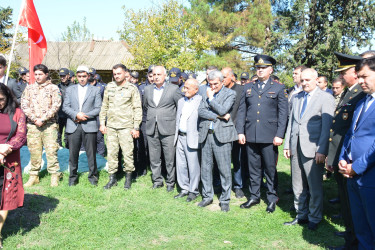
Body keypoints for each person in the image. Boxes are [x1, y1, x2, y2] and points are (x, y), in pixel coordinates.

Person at [283, 68, 335, 230]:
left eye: (307, 80)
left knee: (314, 186)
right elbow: (292, 122)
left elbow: (327, 127)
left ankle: (315, 217)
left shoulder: (326, 98)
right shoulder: (297, 97)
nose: (304, 83)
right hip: (295, 146)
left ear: (316, 79)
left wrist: (322, 150)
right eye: (302, 80)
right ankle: (301, 215)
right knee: (297, 185)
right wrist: (287, 145)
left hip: (313, 150)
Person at [237, 54, 288, 213]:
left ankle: (272, 198)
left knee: (270, 169)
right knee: (253, 168)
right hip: (251, 134)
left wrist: (280, 134)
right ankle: (254, 196)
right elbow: (241, 111)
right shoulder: (248, 87)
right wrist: (240, 131)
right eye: (258, 68)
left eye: (263, 68)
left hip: (270, 136)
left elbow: (283, 113)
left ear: (271, 70)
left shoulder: (278, 88)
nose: (260, 70)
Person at [326, 52, 365, 248]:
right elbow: (338, 129)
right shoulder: (350, 92)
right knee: (346, 203)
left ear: (355, 73)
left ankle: (354, 241)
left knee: (352, 206)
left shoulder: (360, 93)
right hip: (341, 157)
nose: (341, 77)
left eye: (344, 73)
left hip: (350, 159)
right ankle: (351, 237)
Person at [338, 57, 375, 250]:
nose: (360, 81)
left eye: (365, 77)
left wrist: (356, 167)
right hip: (352, 175)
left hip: (369, 176)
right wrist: (343, 158)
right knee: (360, 227)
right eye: (358, 77)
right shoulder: (362, 102)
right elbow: (351, 134)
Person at [198, 70, 238, 212]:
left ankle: (225, 199)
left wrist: (211, 100)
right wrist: (219, 117)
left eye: (215, 84)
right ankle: (207, 196)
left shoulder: (230, 94)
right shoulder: (205, 92)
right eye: (210, 84)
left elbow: (223, 109)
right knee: (206, 168)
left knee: (224, 169)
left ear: (222, 82)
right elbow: (200, 111)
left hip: (222, 135)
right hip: (206, 133)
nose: (213, 86)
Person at [99, 64, 142, 190]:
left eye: (119, 73)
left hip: (126, 127)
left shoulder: (132, 89)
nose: (116, 76)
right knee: (112, 153)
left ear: (125, 74)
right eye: (115, 74)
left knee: (128, 154)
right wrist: (102, 123)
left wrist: (136, 127)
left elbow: (137, 108)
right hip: (111, 126)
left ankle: (128, 179)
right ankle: (112, 179)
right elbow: (104, 106)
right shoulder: (109, 87)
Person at [21, 64, 62, 187]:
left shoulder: (54, 88)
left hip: (49, 125)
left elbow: (56, 105)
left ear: (46, 74)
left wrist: (43, 119)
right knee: (34, 151)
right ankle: (34, 176)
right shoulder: (29, 88)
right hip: (33, 126)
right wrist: (34, 119)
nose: (37, 77)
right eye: (36, 74)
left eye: (40, 74)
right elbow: (24, 105)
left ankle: (54, 175)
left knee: (51, 151)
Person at [143, 66, 182, 191]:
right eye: (154, 74)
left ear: (165, 76)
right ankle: (157, 180)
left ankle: (170, 182)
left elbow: (180, 107)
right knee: (154, 157)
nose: (156, 77)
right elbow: (146, 106)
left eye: (159, 74)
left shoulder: (174, 89)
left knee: (169, 158)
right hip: (151, 127)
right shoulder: (148, 89)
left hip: (168, 128)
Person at [62, 65, 102, 186]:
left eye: (84, 76)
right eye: (79, 76)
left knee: (91, 153)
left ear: (88, 76)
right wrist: (76, 115)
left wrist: (84, 116)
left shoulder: (95, 90)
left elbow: (98, 108)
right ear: (76, 77)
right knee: (73, 154)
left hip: (89, 124)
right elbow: (65, 107)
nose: (82, 79)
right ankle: (72, 178)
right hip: (73, 125)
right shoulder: (70, 89)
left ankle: (93, 177)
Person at [0, 83, 26, 248]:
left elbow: (21, 135)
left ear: (8, 97)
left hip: (8, 161)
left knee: (5, 196)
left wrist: (3, 150)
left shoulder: (17, 113)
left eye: (1, 100)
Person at [174, 78, 202, 202]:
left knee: (193, 166)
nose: (184, 90)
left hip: (192, 138)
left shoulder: (201, 101)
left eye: (187, 88)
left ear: (196, 89)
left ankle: (193, 190)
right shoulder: (181, 101)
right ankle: (184, 189)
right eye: (184, 87)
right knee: (181, 165)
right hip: (180, 136)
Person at [221, 67, 246, 198]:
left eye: (224, 77)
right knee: (222, 159)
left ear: (232, 77)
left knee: (237, 160)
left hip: (236, 129)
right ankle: (222, 184)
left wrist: (240, 130)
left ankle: (238, 186)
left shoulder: (241, 90)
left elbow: (243, 111)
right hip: (221, 129)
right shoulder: (220, 89)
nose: (222, 80)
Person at [57, 68, 74, 148]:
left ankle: (68, 150)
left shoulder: (74, 87)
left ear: (68, 76)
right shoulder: (57, 86)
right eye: (61, 76)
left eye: (64, 76)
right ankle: (59, 149)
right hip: (59, 115)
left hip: (69, 115)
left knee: (68, 135)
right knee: (58, 134)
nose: (62, 77)